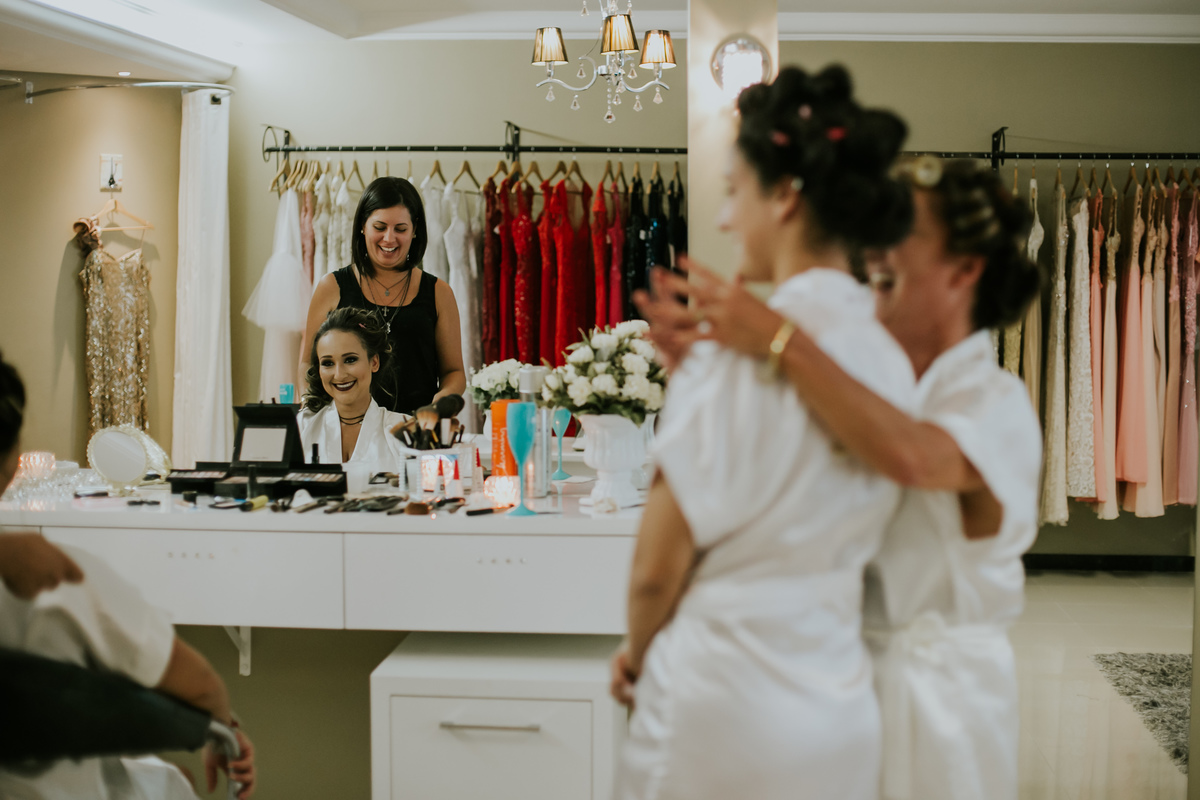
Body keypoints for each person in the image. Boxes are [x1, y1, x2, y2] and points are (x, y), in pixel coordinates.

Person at [636, 156, 1043, 800]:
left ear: (964, 270)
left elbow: (911, 457)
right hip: (836, 683)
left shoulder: (995, 402)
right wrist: (704, 375)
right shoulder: (863, 385)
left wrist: (776, 335)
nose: (875, 247)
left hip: (943, 703)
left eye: (902, 232)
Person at [609, 65, 916, 800]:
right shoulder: (891, 361)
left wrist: (636, 654)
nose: (722, 219)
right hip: (838, 704)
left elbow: (655, 570)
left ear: (784, 196)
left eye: (733, 191)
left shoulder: (732, 356)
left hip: (717, 701)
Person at [0, 352, 257, 800]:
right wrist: (220, 729)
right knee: (175, 782)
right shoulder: (55, 578)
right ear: (10, 462)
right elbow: (199, 686)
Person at [302, 176, 466, 415]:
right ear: (362, 226)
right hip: (347, 429)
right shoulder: (331, 287)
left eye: (401, 229)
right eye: (379, 227)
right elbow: (308, 364)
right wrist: (315, 415)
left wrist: (438, 406)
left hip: (414, 429)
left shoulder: (439, 292)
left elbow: (454, 372)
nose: (389, 238)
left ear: (415, 230)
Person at [299, 307, 410, 464]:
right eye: (328, 363)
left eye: (350, 360)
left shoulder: (405, 431)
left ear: (374, 362)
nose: (339, 375)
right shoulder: (301, 426)